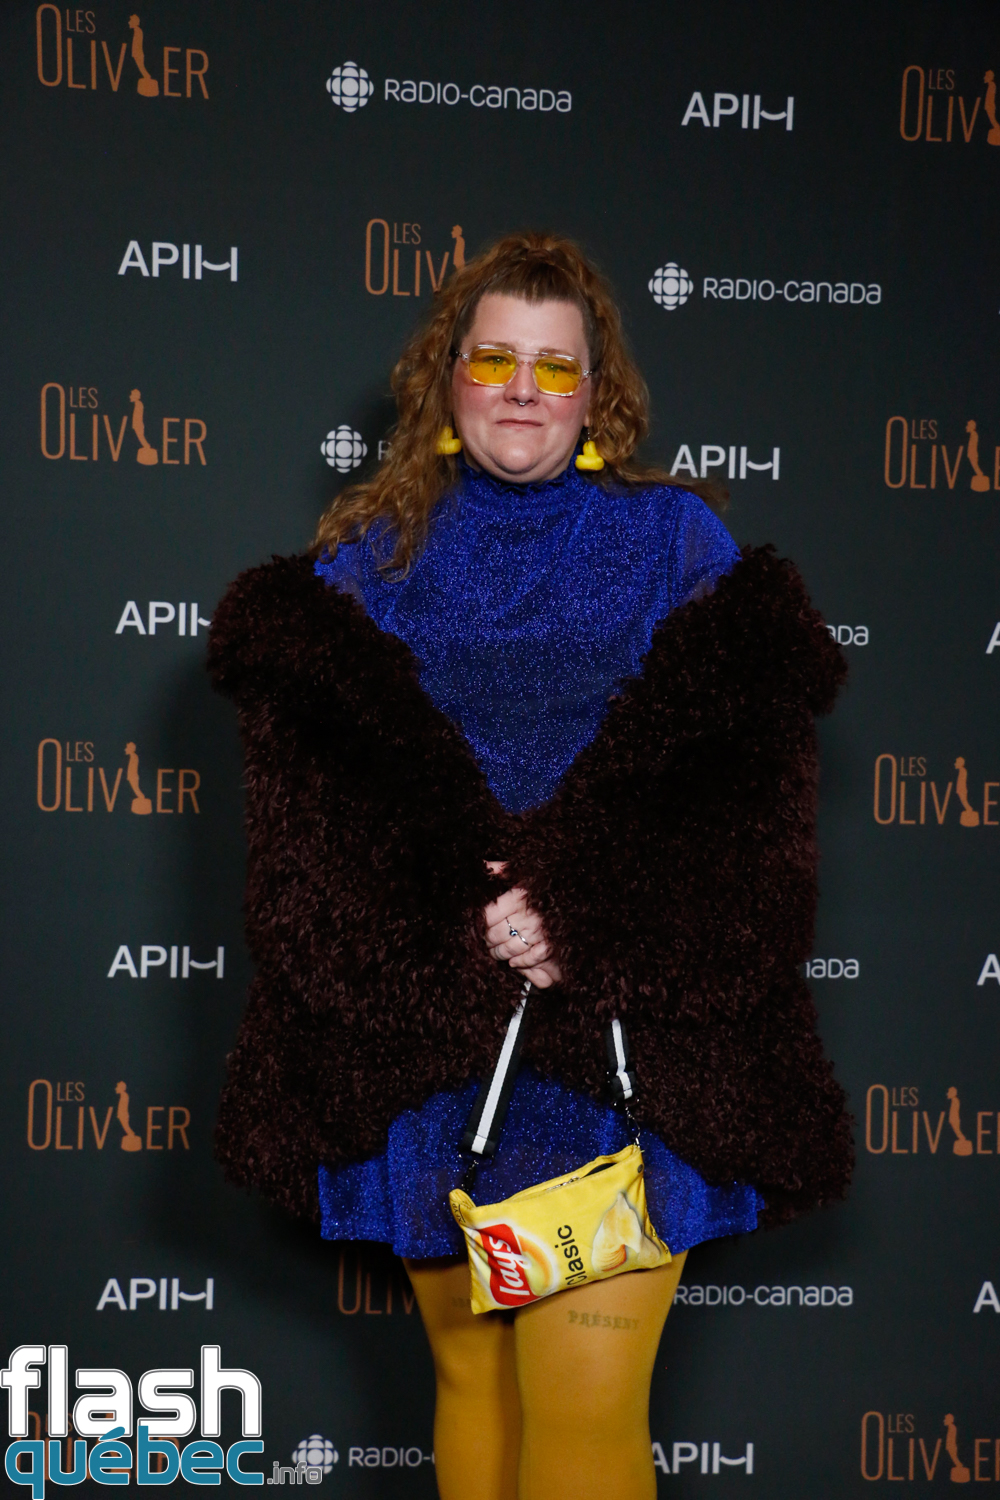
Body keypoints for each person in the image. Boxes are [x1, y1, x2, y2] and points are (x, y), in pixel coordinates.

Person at [208, 232, 853, 1500]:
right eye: (493, 357)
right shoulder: (370, 557)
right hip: (436, 1045)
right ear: (443, 376)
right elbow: (316, 813)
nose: (520, 389)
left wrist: (584, 911)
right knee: (475, 1390)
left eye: (554, 368)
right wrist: (454, 921)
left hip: (619, 1046)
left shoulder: (672, 542)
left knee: (586, 1404)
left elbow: (746, 787)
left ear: (595, 393)